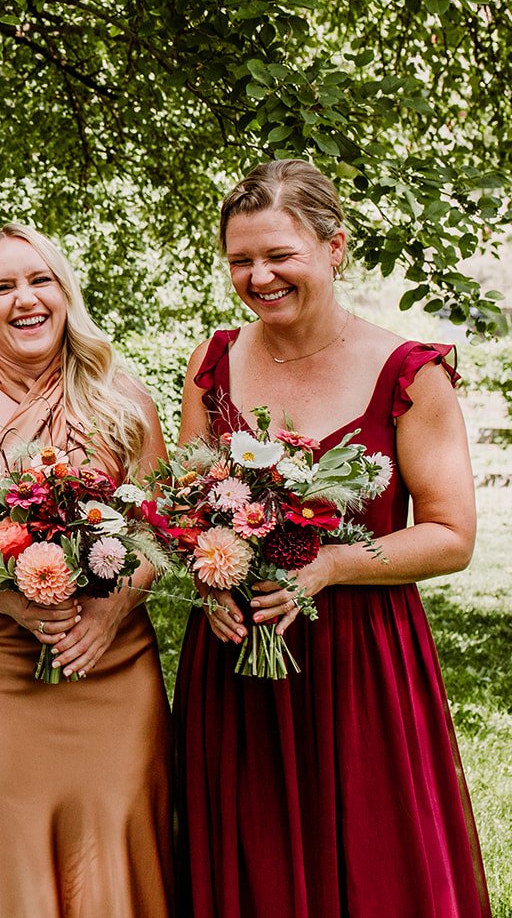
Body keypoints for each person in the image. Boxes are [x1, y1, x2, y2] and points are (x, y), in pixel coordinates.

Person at [172, 159, 490, 917]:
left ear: (335, 246)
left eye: (280, 255)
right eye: (241, 260)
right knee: (253, 860)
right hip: (237, 656)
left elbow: (451, 536)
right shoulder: (214, 361)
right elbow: (187, 503)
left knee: (371, 864)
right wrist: (210, 576)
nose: (259, 275)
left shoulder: (410, 374)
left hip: (361, 657)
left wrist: (332, 564)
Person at [0, 223, 172, 917]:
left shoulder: (124, 402)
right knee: (11, 846)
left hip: (117, 667)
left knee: (120, 844)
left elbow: (158, 529)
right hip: (4, 668)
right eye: (1, 286)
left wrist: (113, 607)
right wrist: (16, 603)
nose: (24, 299)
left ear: (64, 293)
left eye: (39, 280)